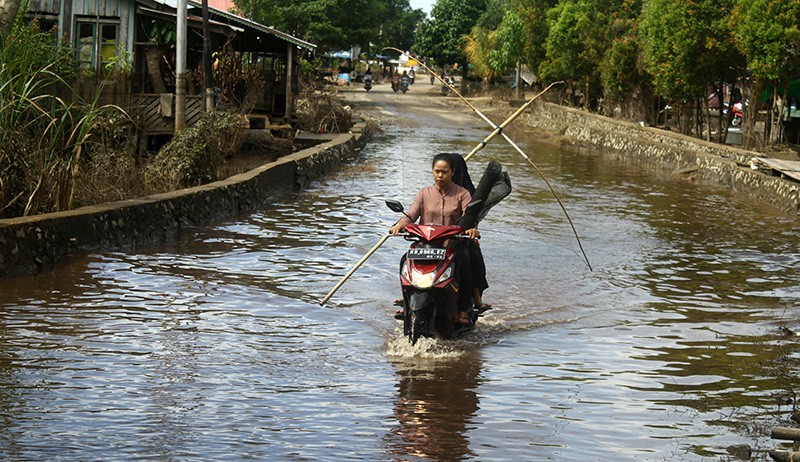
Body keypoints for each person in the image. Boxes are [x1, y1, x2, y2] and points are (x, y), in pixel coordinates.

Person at [391, 154, 488, 324]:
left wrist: (472, 229)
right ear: (432, 171)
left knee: (465, 261)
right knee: (405, 260)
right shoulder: (424, 194)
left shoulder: (463, 194)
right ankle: (407, 304)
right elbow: (411, 214)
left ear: (453, 172)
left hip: (452, 245)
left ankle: (463, 308)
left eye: (444, 172)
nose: (440, 175)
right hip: (426, 245)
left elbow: (470, 217)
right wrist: (399, 225)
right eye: (437, 171)